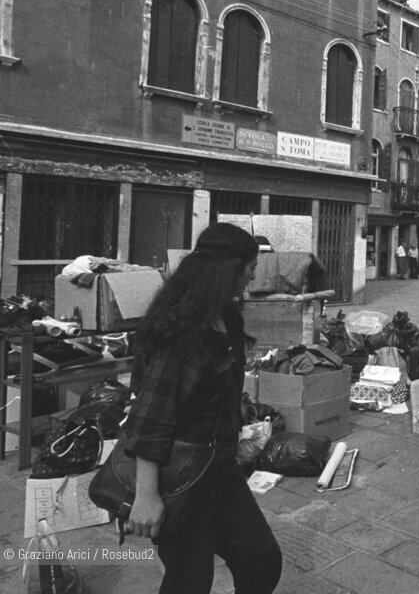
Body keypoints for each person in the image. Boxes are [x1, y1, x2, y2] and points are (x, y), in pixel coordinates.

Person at [122, 223, 281, 594]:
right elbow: (151, 416)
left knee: (261, 560)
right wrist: (147, 496)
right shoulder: (183, 331)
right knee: (190, 580)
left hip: (218, 468)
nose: (253, 276)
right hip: (178, 477)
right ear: (229, 269)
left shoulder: (225, 317)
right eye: (250, 267)